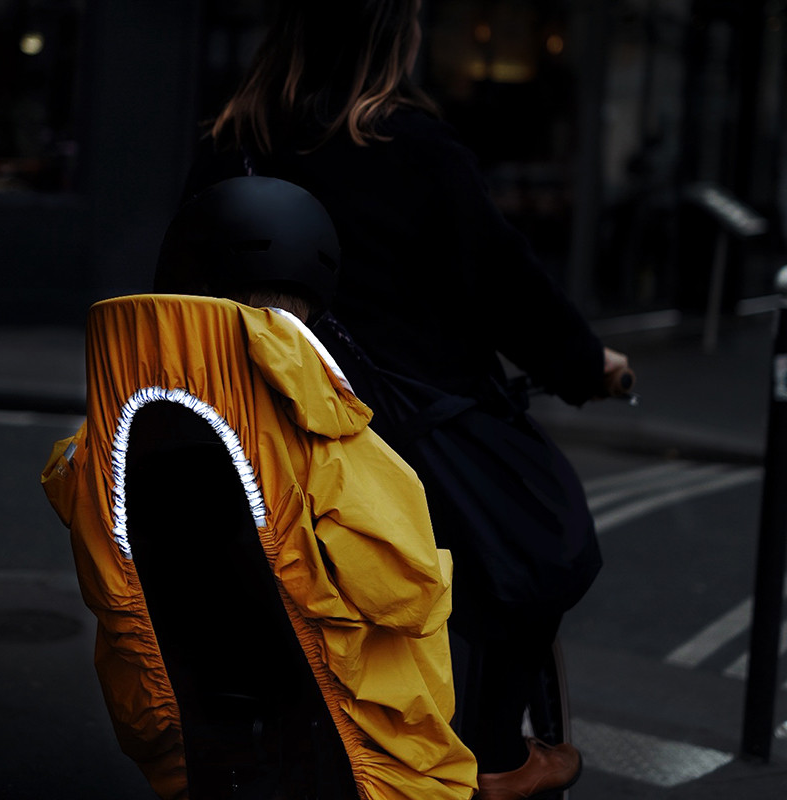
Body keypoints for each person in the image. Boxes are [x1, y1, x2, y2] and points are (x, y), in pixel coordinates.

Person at [173, 2, 631, 798]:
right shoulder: (412, 146)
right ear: (392, 36)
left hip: (252, 443)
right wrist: (591, 364)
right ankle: (491, 756)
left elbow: (178, 296)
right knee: (538, 529)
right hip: (393, 447)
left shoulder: (228, 148)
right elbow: (506, 286)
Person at [41, 176, 478, 800]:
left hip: (192, 707)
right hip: (327, 722)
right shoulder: (329, 441)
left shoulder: (110, 433)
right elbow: (404, 592)